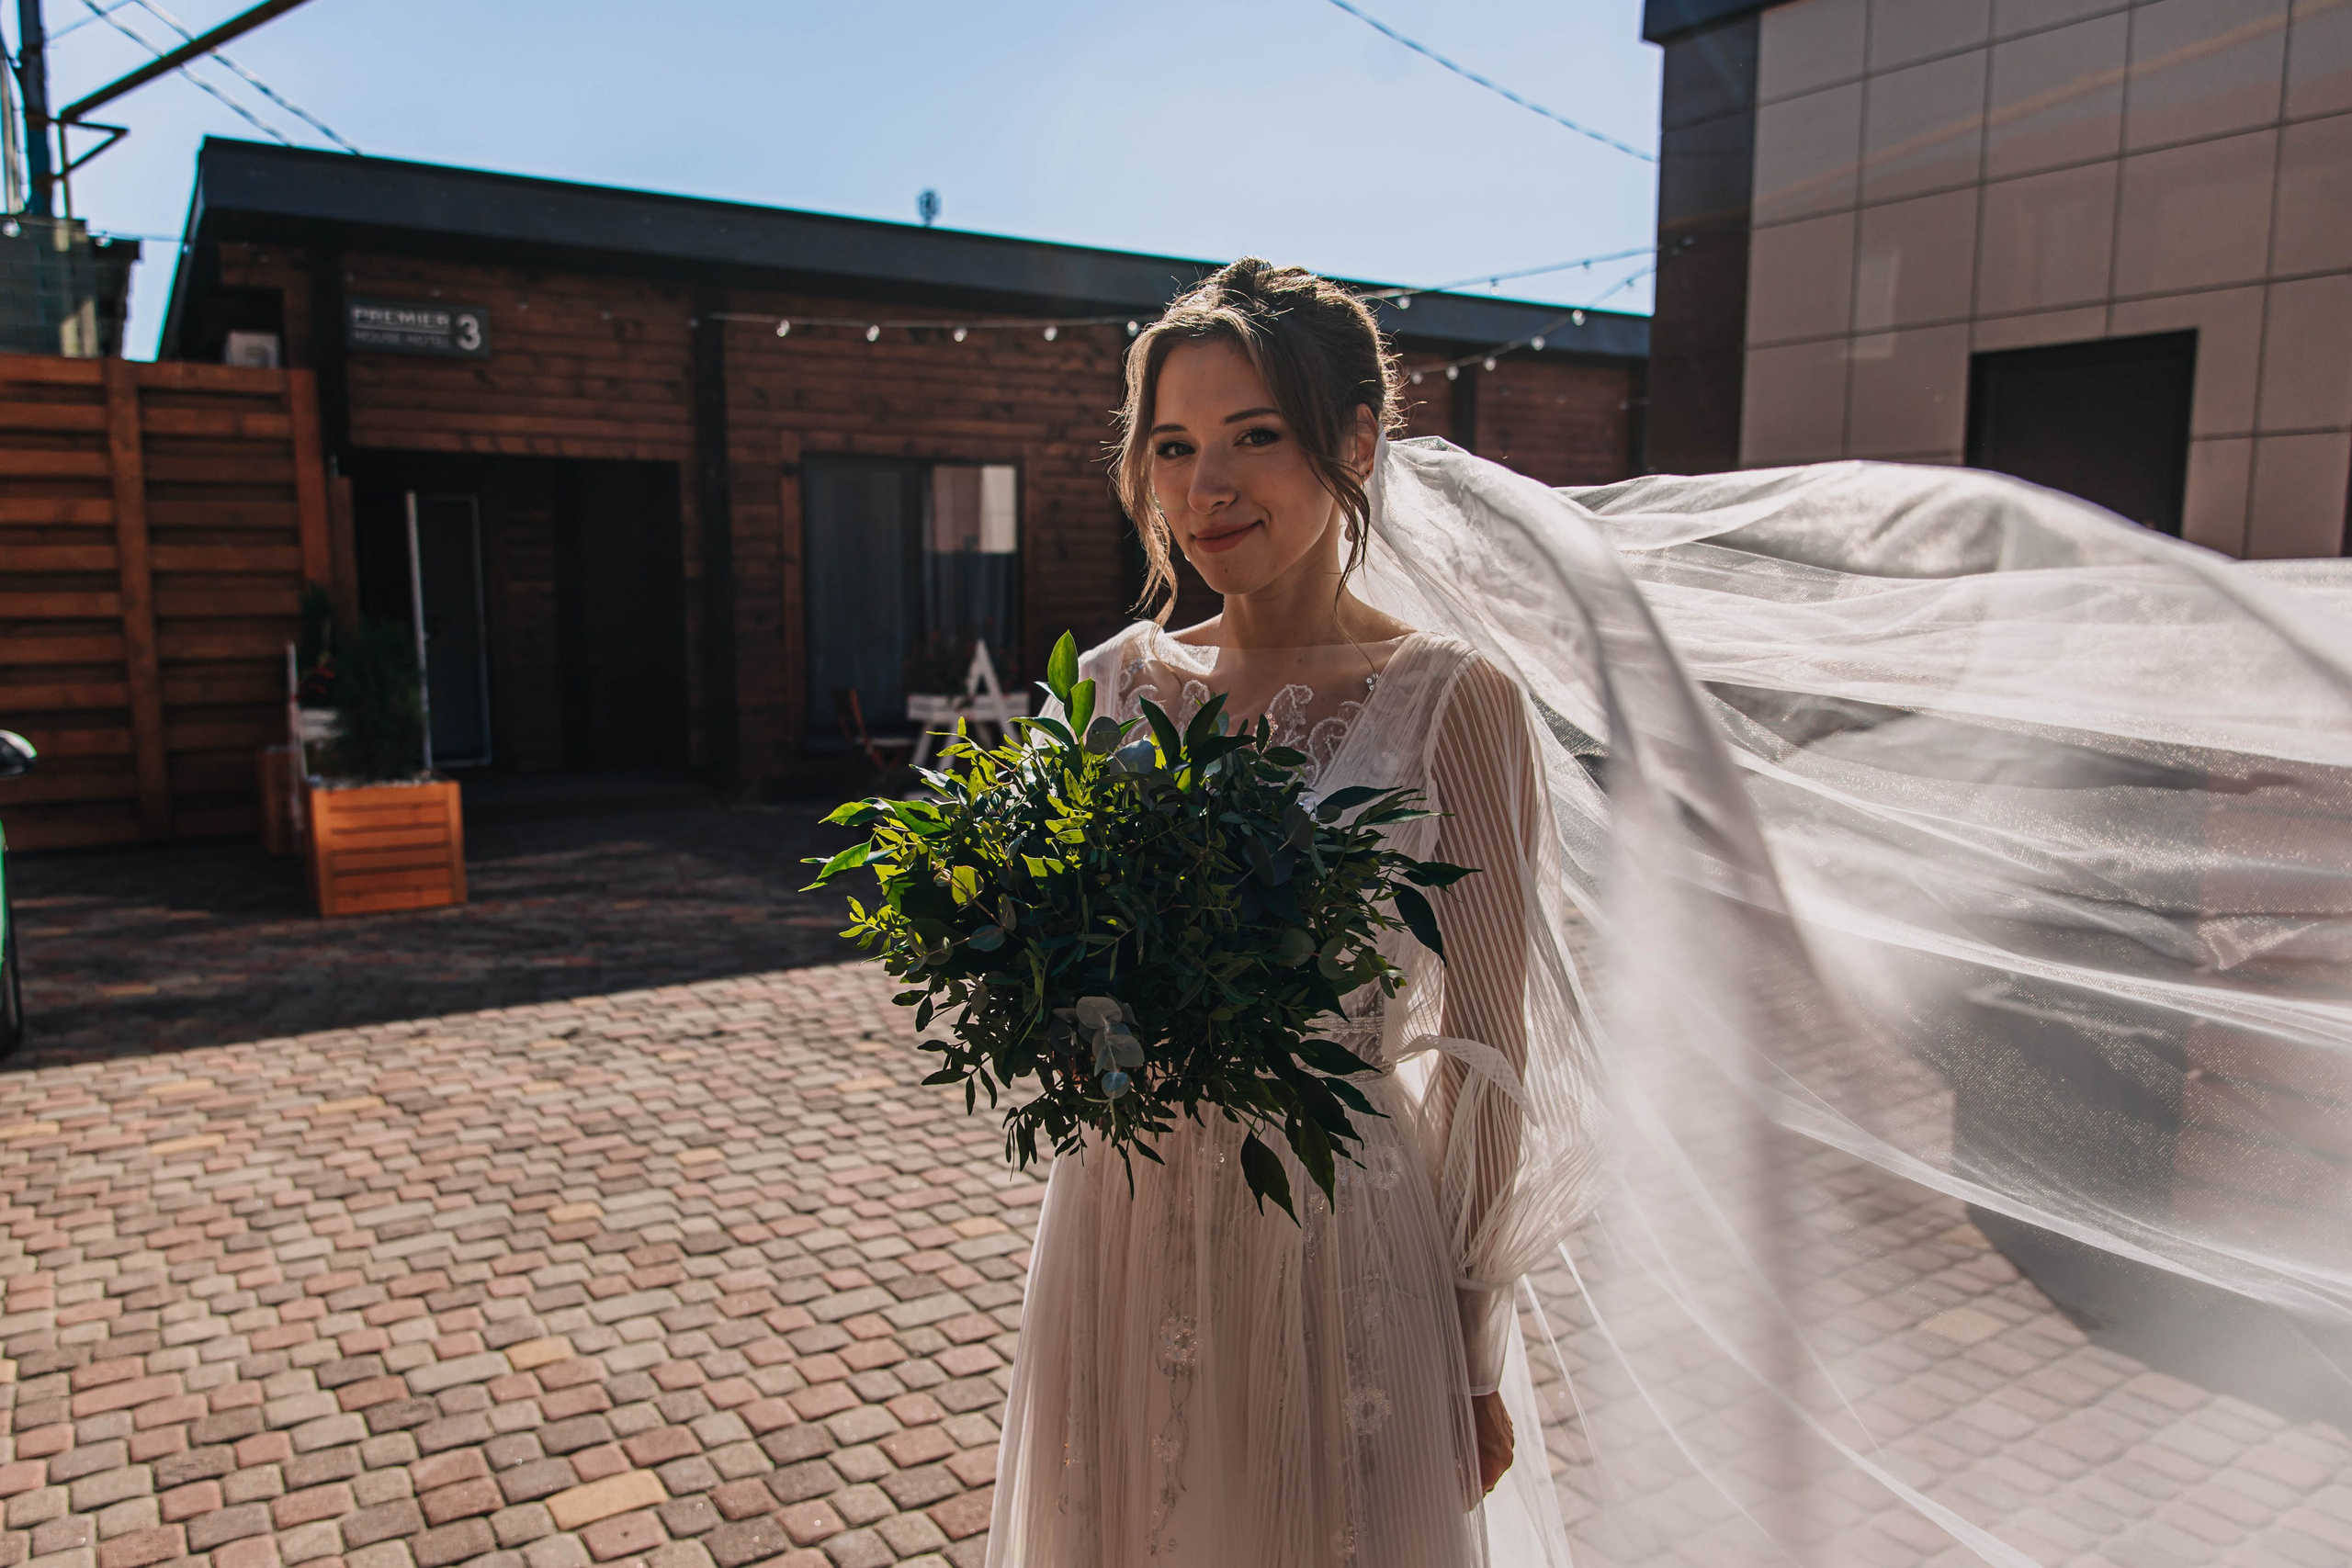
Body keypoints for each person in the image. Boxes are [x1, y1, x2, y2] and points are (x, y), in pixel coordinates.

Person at [989, 259, 2352, 1567]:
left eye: (1252, 434)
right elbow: (1067, 968)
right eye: (1169, 445)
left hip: (1341, 1235)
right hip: (1122, 1216)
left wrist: (1468, 1346)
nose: (1206, 486)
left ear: (1356, 435)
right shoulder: (1108, 689)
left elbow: (1491, 1050)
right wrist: (1076, 1023)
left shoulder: (1455, 702)